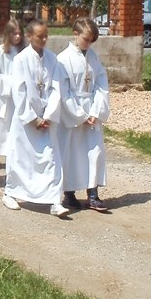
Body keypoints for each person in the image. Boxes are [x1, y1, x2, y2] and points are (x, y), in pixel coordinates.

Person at [2, 19, 68, 217]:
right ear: (29, 36)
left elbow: (57, 88)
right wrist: (32, 118)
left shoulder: (52, 59)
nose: (45, 39)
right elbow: (19, 91)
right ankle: (11, 192)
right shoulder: (21, 59)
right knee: (21, 158)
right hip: (26, 121)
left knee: (51, 158)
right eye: (40, 36)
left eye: (46, 35)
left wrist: (48, 115)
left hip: (47, 118)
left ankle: (54, 200)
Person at [57, 17, 110, 212]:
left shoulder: (93, 57)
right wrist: (79, 114)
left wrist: (96, 110)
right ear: (75, 34)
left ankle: (93, 194)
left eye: (91, 41)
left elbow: (101, 84)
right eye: (86, 39)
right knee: (72, 154)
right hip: (74, 113)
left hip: (92, 110)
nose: (88, 44)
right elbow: (64, 91)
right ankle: (69, 194)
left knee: (94, 152)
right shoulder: (63, 58)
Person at [0, 18, 25, 166]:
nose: (17, 37)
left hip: (17, 95)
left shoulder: (22, 52)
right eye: (14, 34)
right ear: (8, 35)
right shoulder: (0, 51)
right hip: (3, 96)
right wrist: (9, 82)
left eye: (19, 34)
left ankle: (13, 153)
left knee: (13, 125)